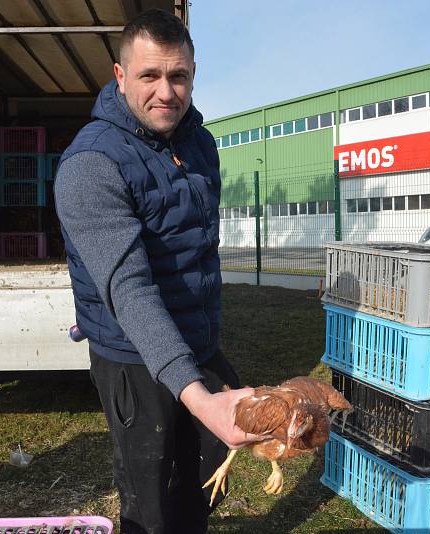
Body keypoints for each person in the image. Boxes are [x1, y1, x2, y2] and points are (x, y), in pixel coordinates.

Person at [54, 8, 263, 534]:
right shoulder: (91, 164)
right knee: (151, 502)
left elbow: (198, 250)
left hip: (199, 341)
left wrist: (206, 370)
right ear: (121, 76)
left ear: (193, 75)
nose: (166, 92)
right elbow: (130, 290)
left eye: (179, 76)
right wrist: (200, 399)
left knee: (204, 477)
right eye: (150, 75)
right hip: (131, 356)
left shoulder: (200, 144)